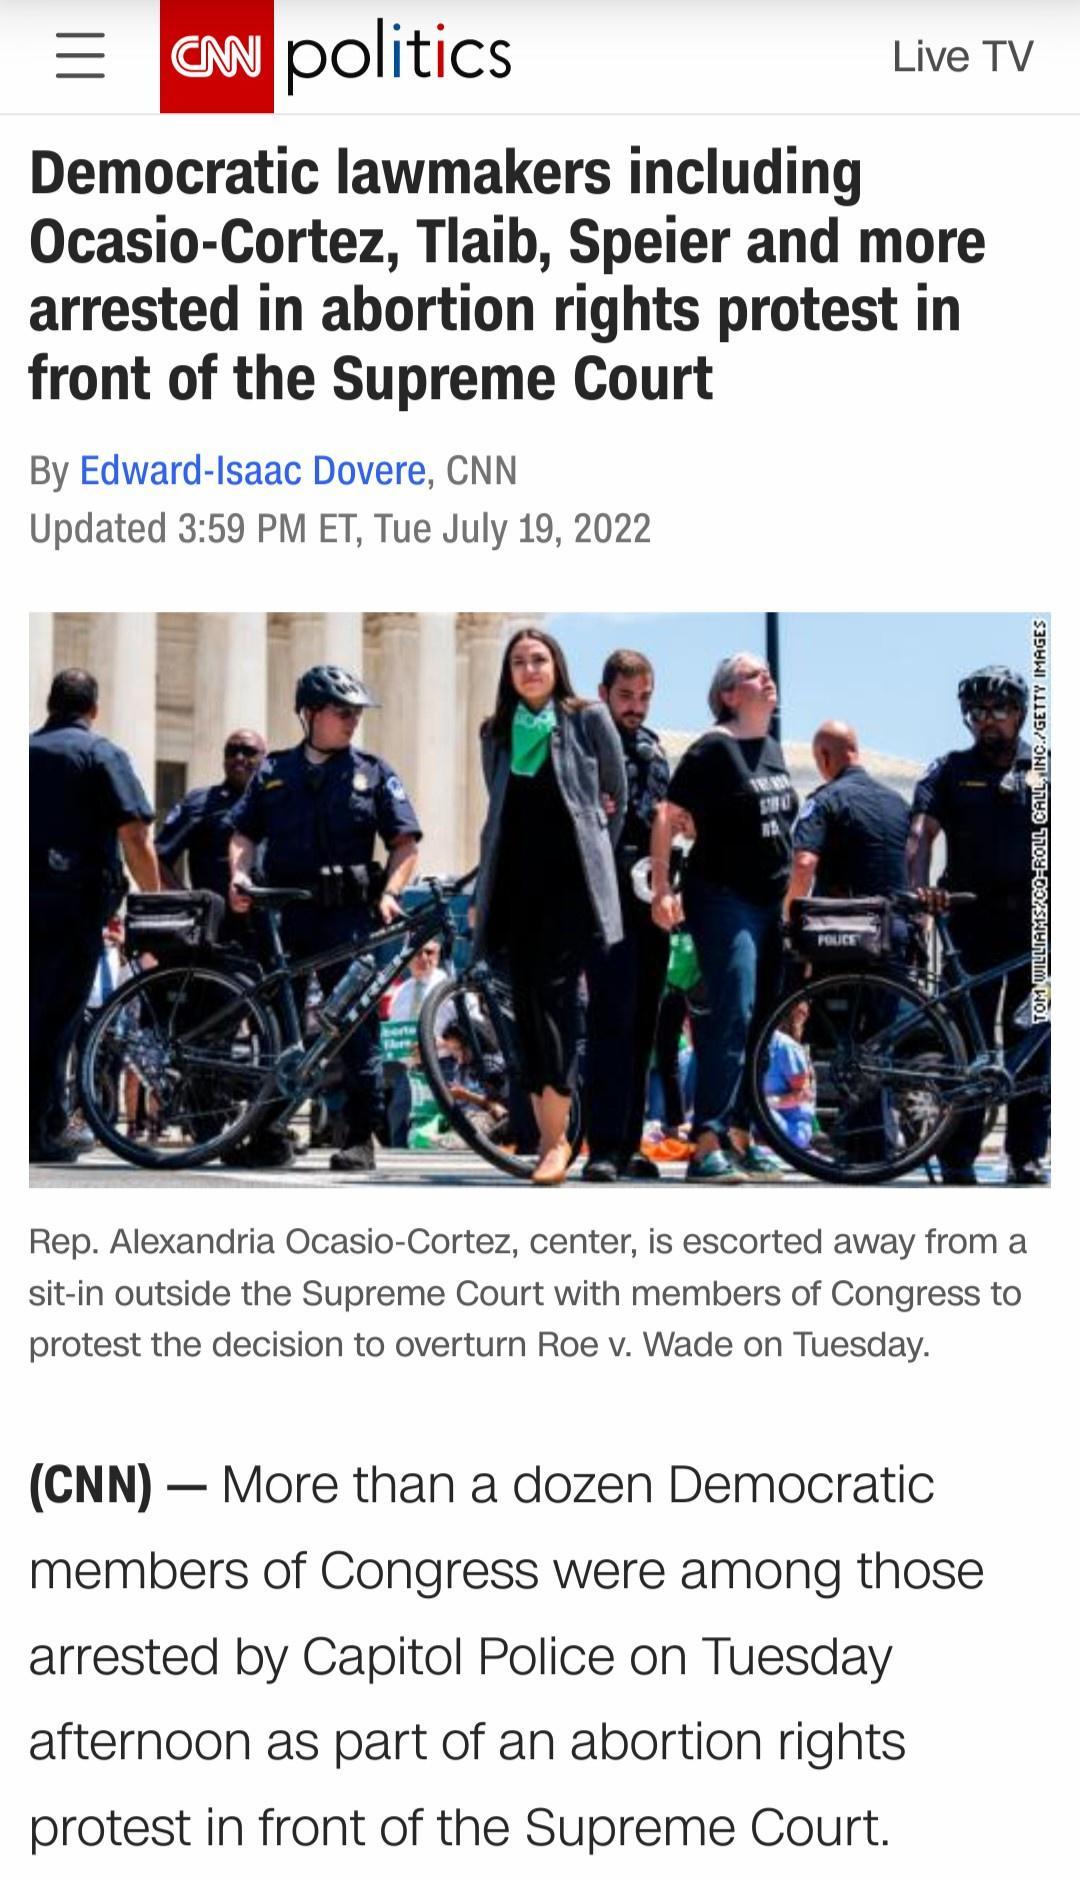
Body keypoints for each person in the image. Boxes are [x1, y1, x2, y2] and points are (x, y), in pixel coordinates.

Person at [228, 664, 421, 1172]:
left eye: (357, 711)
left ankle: (359, 1137)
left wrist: (391, 893)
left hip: (348, 918)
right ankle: (267, 1132)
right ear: (310, 713)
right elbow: (243, 834)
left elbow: (404, 843)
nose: (353, 719)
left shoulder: (375, 772)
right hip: (285, 917)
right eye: (343, 711)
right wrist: (240, 876)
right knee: (276, 1028)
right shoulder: (273, 773)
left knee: (355, 1030)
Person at [472, 627, 627, 1185]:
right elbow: (498, 809)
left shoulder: (587, 719)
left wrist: (592, 863)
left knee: (556, 1004)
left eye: (538, 659)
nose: (529, 669)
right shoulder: (495, 732)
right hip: (514, 884)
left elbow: (614, 797)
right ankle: (549, 1136)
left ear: (557, 665)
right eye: (519, 661)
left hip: (568, 887)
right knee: (527, 1012)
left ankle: (555, 1142)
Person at [651, 650, 796, 1183]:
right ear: (729, 694)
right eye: (753, 676)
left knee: (762, 1021)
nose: (767, 679)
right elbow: (667, 815)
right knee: (731, 1012)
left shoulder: (773, 749)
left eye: (767, 673)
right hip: (723, 898)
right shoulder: (714, 748)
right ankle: (706, 1139)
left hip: (767, 904)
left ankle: (741, 1136)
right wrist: (662, 887)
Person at [908, 664, 1049, 1186]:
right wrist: (920, 887)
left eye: (998, 709)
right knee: (966, 1044)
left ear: (1019, 712)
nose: (986, 720)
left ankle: (1026, 1154)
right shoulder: (948, 768)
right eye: (977, 711)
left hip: (1039, 926)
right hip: (970, 921)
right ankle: (957, 1154)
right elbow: (920, 834)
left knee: (1035, 1038)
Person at [29, 668, 159, 1163]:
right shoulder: (99, 753)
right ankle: (42, 1128)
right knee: (55, 1020)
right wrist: (155, 896)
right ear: (93, 709)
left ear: (50, 703)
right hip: (72, 907)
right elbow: (134, 835)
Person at [582, 649, 671, 1181]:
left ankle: (631, 1140)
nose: (635, 707)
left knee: (644, 1026)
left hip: (647, 900)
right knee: (609, 1022)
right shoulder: (587, 746)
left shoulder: (654, 750)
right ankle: (603, 1145)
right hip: (605, 899)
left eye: (643, 697)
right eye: (625, 696)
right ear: (604, 693)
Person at [157, 728, 268, 941]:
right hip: (217, 929)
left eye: (248, 752)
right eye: (231, 751)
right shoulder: (199, 802)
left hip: (271, 928)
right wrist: (188, 903)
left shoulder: (276, 803)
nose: (239, 758)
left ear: (264, 758)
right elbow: (159, 858)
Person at [786, 720, 911, 907]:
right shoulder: (899, 803)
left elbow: (803, 864)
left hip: (846, 926)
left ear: (824, 756)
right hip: (899, 925)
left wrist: (790, 917)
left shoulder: (824, 801)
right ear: (855, 751)